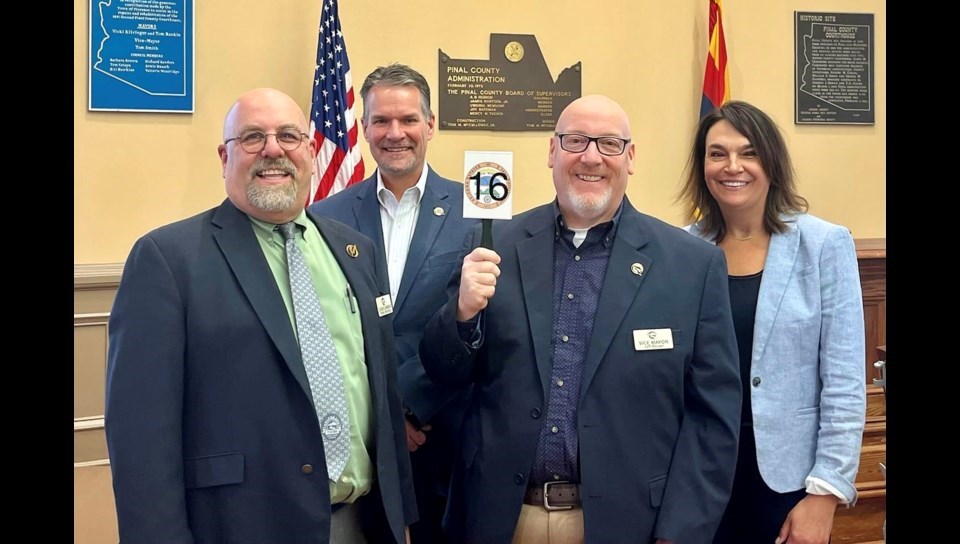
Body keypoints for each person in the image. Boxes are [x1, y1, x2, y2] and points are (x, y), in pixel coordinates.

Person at [419, 94, 742, 544]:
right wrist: (461, 315)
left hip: (629, 525)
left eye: (609, 143)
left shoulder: (691, 265)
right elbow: (443, 370)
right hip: (502, 519)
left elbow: (713, 415)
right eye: (575, 141)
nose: (591, 156)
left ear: (630, 158)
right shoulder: (494, 245)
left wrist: (681, 531)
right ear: (552, 152)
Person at [105, 88, 417, 544]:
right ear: (224, 156)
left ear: (310, 151)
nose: (273, 149)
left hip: (361, 524)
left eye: (289, 136)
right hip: (242, 525)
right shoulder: (168, 260)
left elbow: (383, 398)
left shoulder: (356, 251)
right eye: (252, 137)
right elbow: (140, 438)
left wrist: (401, 515)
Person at [679, 100, 866, 544]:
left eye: (749, 153)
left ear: (772, 162)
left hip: (790, 484)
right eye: (717, 153)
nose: (732, 166)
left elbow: (844, 381)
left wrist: (825, 494)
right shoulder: (683, 249)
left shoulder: (824, 245)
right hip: (700, 477)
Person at [310, 63, 473, 543]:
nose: (395, 133)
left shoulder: (476, 215)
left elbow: (481, 325)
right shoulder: (324, 216)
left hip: (444, 438)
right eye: (381, 121)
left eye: (408, 120)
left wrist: (410, 409)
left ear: (431, 125)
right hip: (359, 439)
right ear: (363, 129)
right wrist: (382, 417)